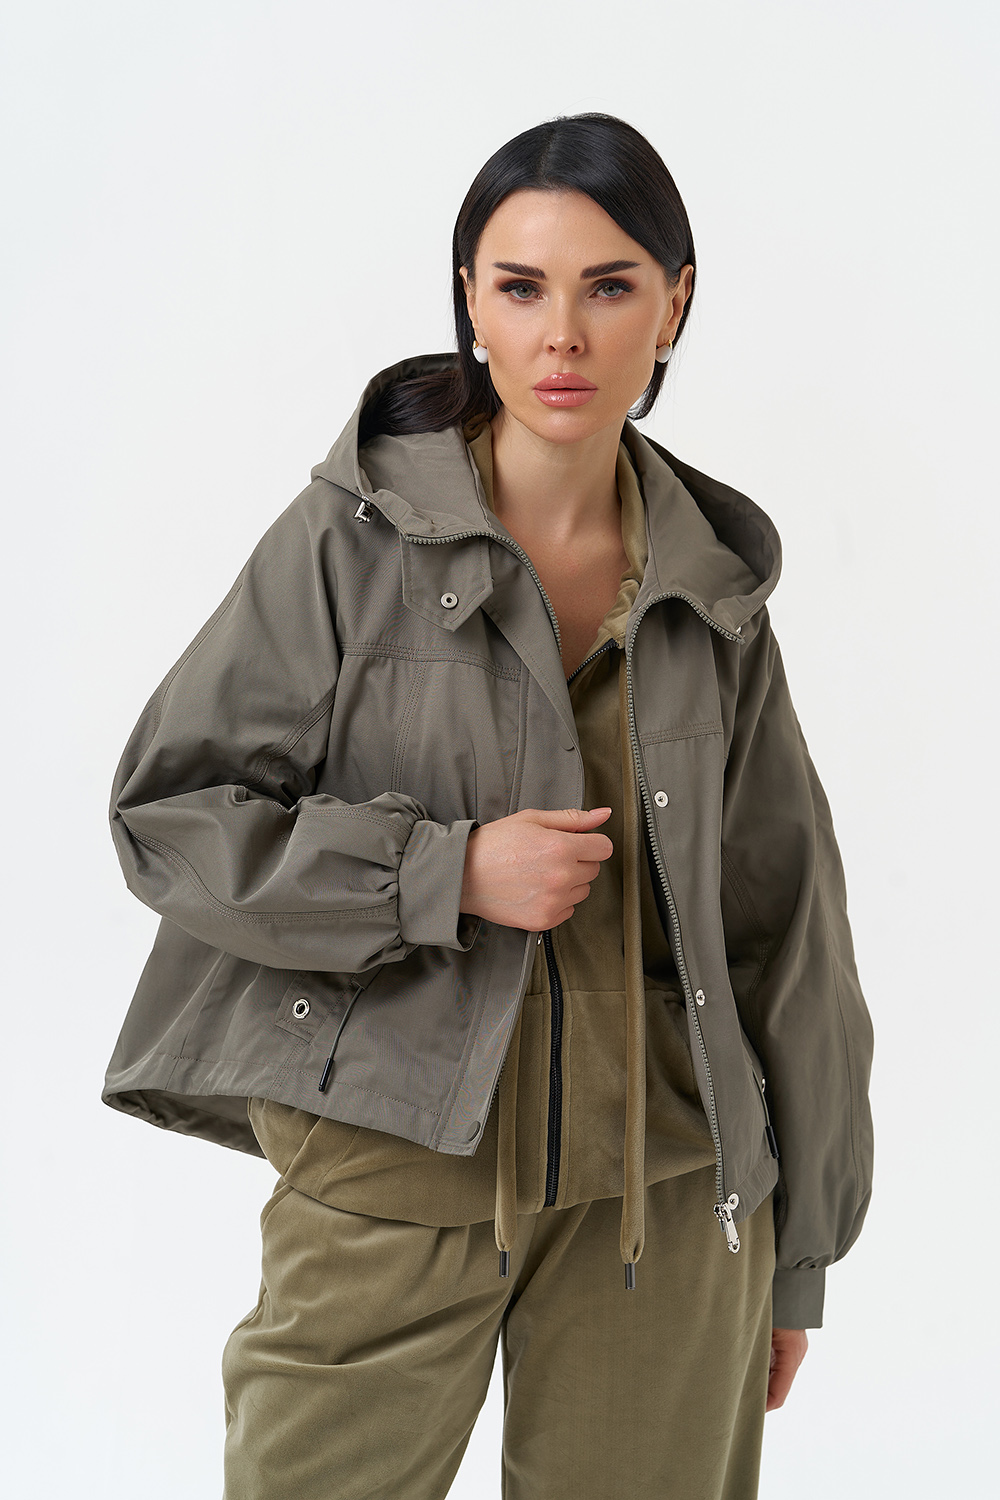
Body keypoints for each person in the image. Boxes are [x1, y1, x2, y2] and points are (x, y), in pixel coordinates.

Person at [103, 113, 875, 1500]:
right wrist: (440, 873)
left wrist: (798, 1250)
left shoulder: (711, 593)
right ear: (471, 301)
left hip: (663, 1194)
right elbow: (170, 812)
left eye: (610, 287)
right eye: (522, 287)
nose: (562, 335)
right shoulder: (350, 543)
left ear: (674, 305)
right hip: (391, 1163)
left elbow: (789, 932)